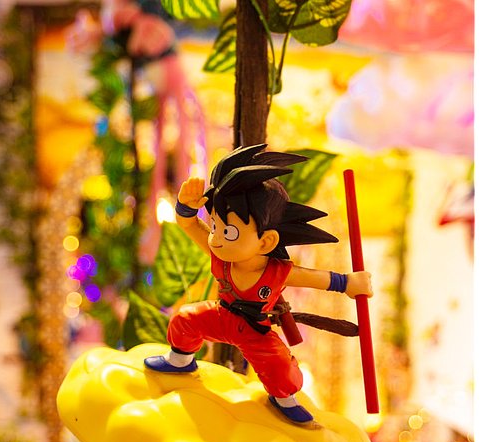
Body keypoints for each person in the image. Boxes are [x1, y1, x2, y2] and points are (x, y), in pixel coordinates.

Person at [145, 145, 373, 425]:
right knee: (184, 319)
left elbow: (318, 278)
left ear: (266, 241)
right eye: (215, 226)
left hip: (255, 331)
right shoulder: (221, 255)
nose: (216, 238)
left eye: (228, 231)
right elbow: (190, 226)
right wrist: (186, 208)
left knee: (281, 367)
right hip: (221, 316)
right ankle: (180, 360)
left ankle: (284, 398)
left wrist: (348, 283)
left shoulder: (276, 272)